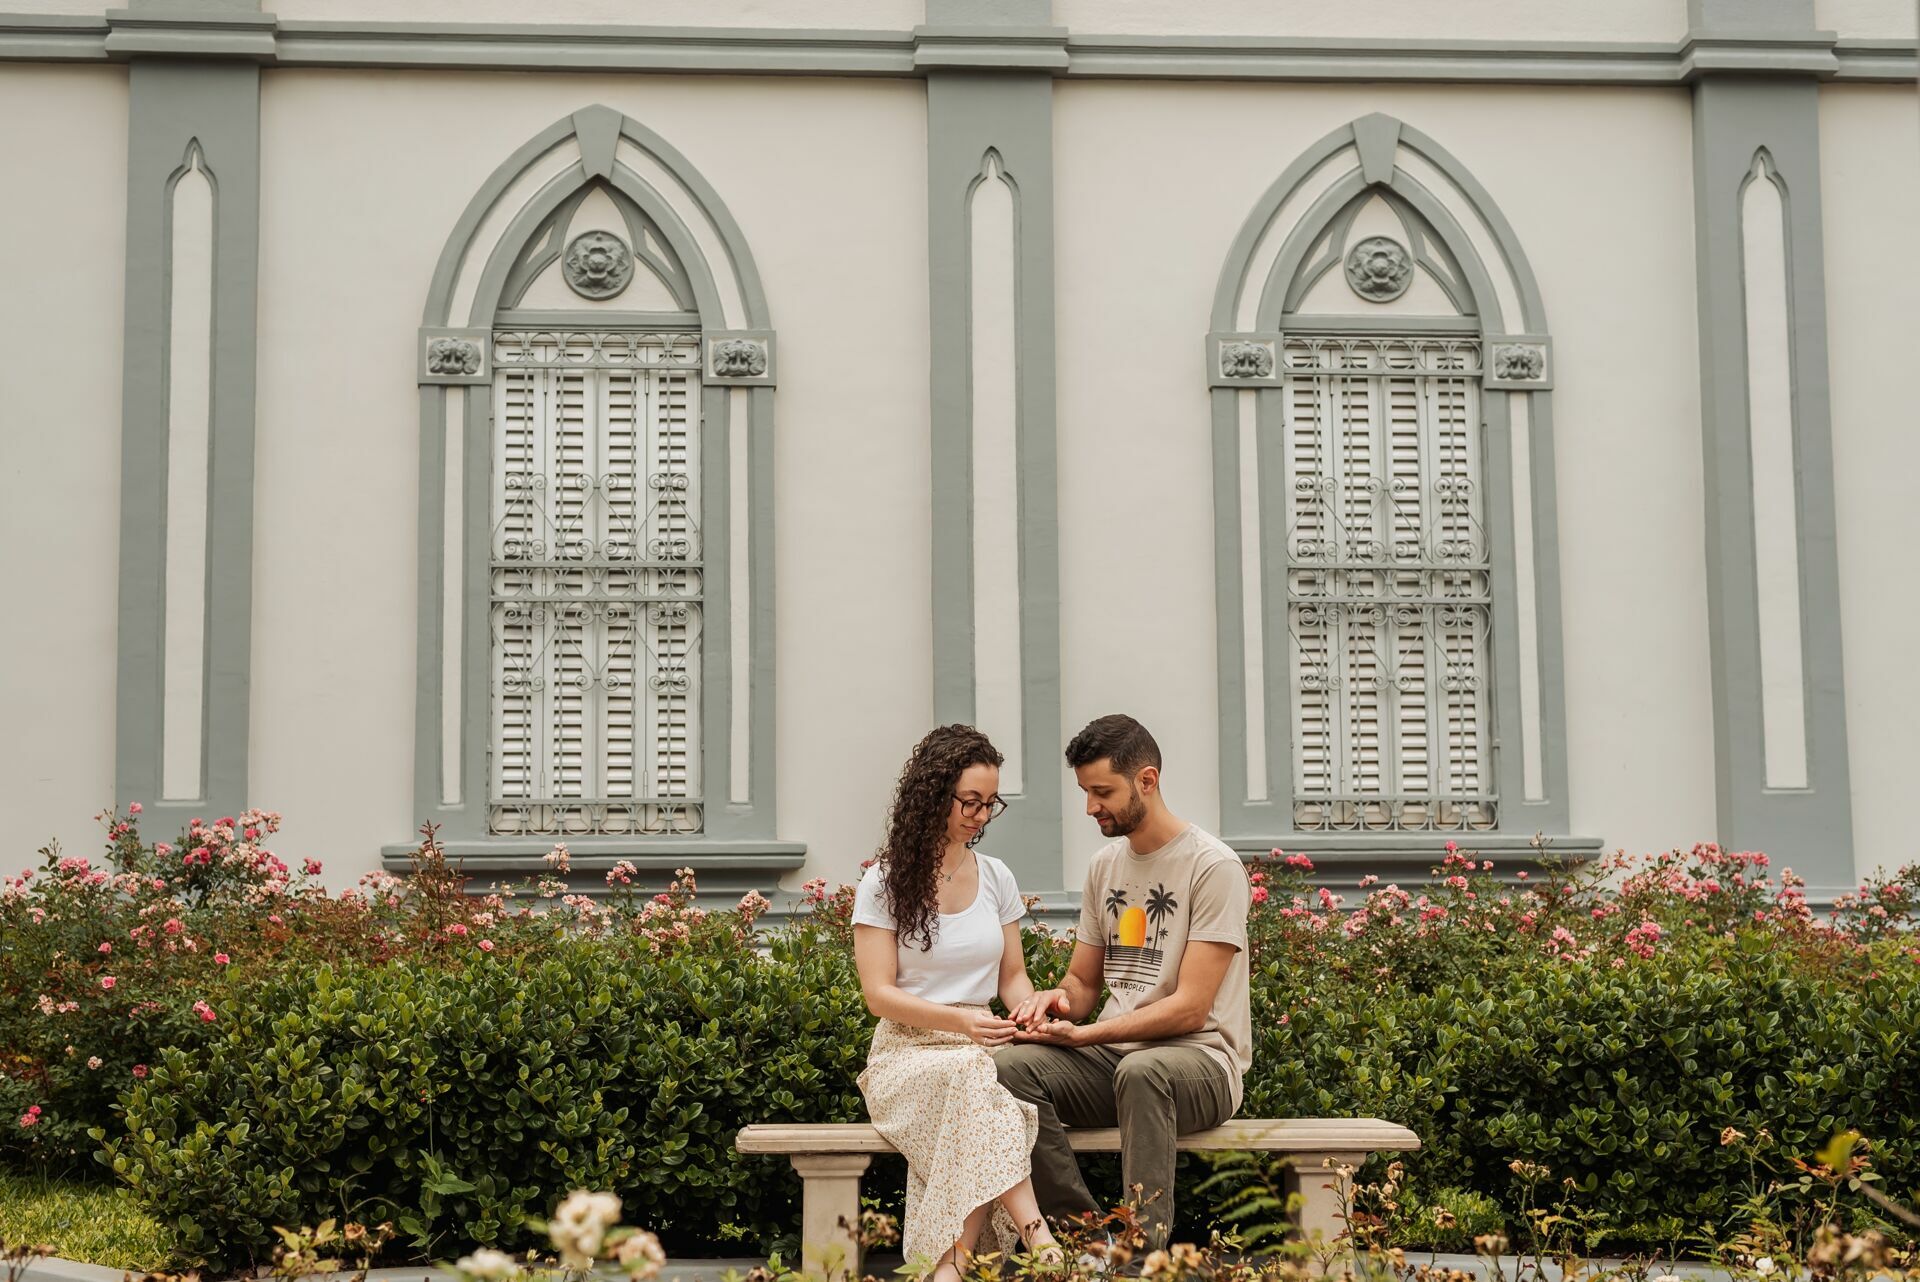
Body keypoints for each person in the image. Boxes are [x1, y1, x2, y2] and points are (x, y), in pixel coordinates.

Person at [996, 714, 1253, 1251]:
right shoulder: (1104, 865)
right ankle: (1086, 1242)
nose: (1091, 807)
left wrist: (1085, 1035)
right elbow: (1082, 985)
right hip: (1117, 1060)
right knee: (1007, 1067)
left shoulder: (1213, 867)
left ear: (1147, 780)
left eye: (1102, 792)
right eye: (1085, 793)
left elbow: (1191, 1008)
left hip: (1202, 1063)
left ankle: (1141, 1256)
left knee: (1143, 1071)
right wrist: (1053, 1004)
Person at [852, 724, 1065, 1280]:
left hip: (981, 1050)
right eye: (970, 801)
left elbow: (1012, 978)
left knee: (979, 1088)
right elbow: (879, 996)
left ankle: (950, 1267)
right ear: (932, 793)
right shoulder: (884, 882)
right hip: (906, 1055)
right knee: (980, 1083)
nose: (980, 815)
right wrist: (962, 1024)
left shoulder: (995, 877)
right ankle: (1037, 1234)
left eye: (990, 804)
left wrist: (1032, 1009)